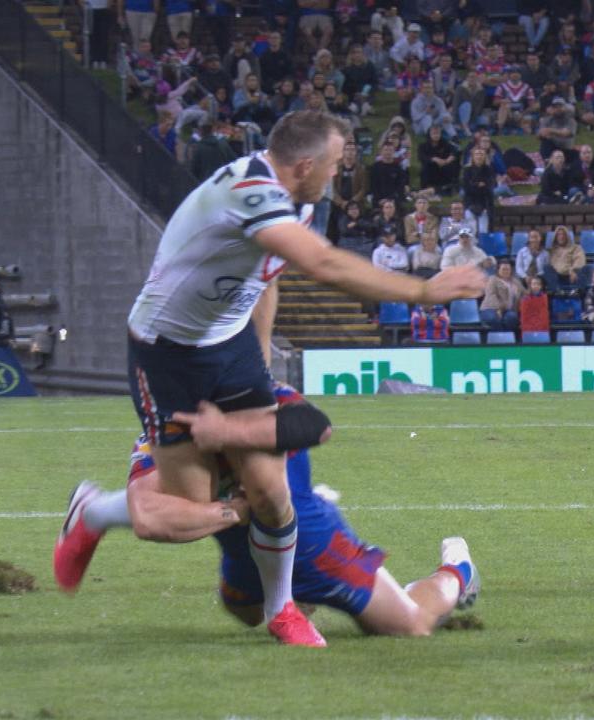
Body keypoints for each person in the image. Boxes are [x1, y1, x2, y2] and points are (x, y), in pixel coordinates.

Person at [97, 110, 485, 647]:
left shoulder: (293, 203)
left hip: (239, 379)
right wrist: (422, 290)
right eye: (334, 164)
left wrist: (256, 370)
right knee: (202, 524)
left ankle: (434, 577)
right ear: (305, 165)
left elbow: (268, 285)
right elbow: (323, 265)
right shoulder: (256, 195)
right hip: (168, 350)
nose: (339, 174)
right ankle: (115, 509)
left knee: (278, 502)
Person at [66, 385, 479, 638]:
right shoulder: (166, 422)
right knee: (245, 614)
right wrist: (231, 513)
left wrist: (232, 436)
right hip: (242, 547)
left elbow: (315, 425)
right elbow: (148, 511)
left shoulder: (263, 394)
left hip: (313, 542)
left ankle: (457, 568)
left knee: (410, 625)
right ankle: (94, 512)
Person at [480, 259, 523, 331]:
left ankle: (507, 337)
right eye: (503, 269)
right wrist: (498, 309)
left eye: (508, 269)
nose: (506, 271)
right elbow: (491, 295)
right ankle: (500, 338)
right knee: (493, 318)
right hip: (490, 308)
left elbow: (524, 293)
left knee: (512, 317)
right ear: (498, 270)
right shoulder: (492, 279)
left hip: (508, 310)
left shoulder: (516, 281)